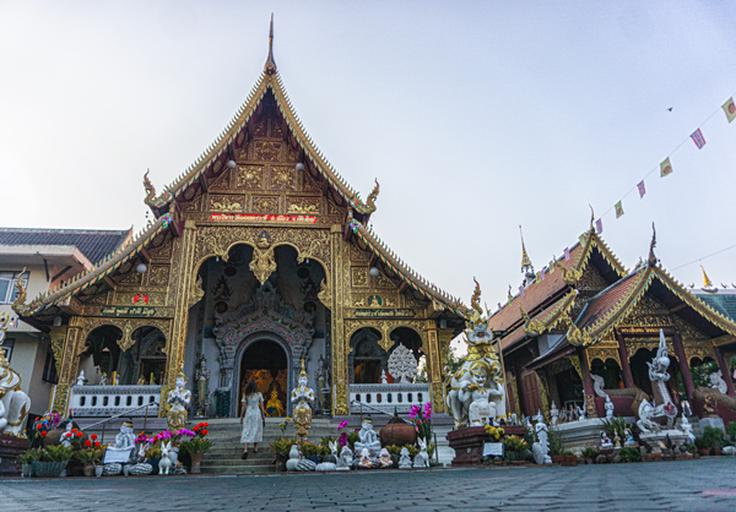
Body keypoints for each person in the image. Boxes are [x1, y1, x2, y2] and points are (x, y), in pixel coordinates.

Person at [240, 380, 265, 459]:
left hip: (249, 412)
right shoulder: (259, 394)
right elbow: (262, 407)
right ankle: (255, 448)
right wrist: (263, 417)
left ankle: (246, 449)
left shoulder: (246, 395)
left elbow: (243, 407)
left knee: (246, 429)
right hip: (257, 413)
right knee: (257, 429)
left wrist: (241, 416)